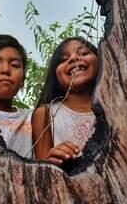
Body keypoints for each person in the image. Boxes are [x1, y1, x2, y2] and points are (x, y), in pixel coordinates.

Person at [32, 37, 98, 165]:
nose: (73, 58)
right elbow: (42, 170)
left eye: (83, 53)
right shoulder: (46, 114)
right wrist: (53, 160)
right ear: (55, 76)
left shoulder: (118, 106)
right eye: (63, 60)